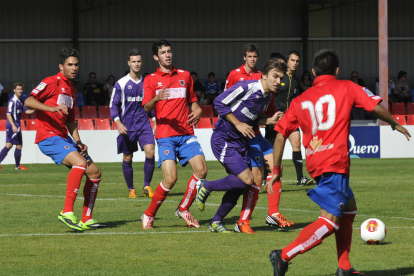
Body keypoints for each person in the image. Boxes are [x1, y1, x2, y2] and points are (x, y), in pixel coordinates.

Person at [268, 49, 411, 276]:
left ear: (313, 72)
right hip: (334, 163)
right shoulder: (347, 86)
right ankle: (283, 255)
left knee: (349, 209)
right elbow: (373, 106)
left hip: (317, 164)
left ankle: (344, 267)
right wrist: (394, 123)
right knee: (330, 221)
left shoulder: (299, 100)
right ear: (336, 70)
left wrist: (276, 170)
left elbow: (279, 135)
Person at [195, 59, 286, 233]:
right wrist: (237, 124)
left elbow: (253, 119)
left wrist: (269, 120)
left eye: (280, 78)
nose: (277, 81)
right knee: (247, 179)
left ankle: (216, 221)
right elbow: (219, 102)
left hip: (240, 142)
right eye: (275, 77)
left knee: (240, 185)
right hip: (224, 139)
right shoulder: (246, 87)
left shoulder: (267, 97)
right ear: (264, 75)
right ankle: (207, 186)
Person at [24, 47, 105, 231]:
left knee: (95, 173)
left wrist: (78, 142)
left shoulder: (73, 91)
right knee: (80, 164)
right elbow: (28, 101)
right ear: (61, 66)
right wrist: (50, 108)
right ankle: (66, 212)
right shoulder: (51, 82)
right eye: (70, 65)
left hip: (63, 138)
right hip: (48, 137)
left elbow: (70, 120)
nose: (74, 68)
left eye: (76, 65)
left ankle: (86, 218)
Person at [141, 39, 207, 229]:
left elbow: (192, 101)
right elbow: (146, 107)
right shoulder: (151, 79)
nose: (167, 55)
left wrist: (199, 110)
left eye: (169, 51)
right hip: (165, 135)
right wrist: (156, 98)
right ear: (156, 57)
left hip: (186, 133)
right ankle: (148, 214)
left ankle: (184, 208)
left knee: (202, 170)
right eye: (163, 52)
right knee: (171, 178)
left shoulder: (185, 75)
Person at [110, 49, 156, 199]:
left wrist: (155, 121)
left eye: (138, 61)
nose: (136, 64)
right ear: (129, 63)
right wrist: (118, 123)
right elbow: (113, 105)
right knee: (128, 157)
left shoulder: (148, 82)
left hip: (144, 124)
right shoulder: (121, 83)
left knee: (150, 152)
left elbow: (152, 103)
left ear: (141, 63)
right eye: (133, 61)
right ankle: (131, 189)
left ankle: (147, 186)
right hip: (127, 126)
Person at [270, 51, 314, 186]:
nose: (295, 63)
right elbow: (270, 96)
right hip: (276, 117)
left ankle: (300, 178)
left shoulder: (295, 80)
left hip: (291, 118)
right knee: (272, 148)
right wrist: (270, 116)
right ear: (287, 61)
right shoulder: (279, 77)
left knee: (297, 144)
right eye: (293, 60)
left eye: (297, 61)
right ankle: (267, 176)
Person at [0, 82, 35, 170]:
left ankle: (17, 165)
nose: (20, 91)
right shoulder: (12, 101)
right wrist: (13, 126)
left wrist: (35, 109)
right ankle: (17, 166)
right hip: (13, 126)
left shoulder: (20, 100)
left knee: (12, 145)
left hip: (15, 125)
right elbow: (8, 114)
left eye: (21, 89)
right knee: (14, 145)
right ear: (14, 90)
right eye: (18, 89)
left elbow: (26, 111)